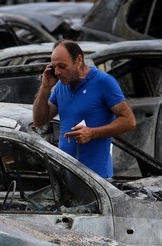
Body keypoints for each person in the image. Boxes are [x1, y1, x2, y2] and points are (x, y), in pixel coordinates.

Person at [33, 39, 136, 178]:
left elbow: (129, 121)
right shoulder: (60, 86)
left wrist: (92, 133)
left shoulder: (104, 82)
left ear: (79, 60)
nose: (57, 72)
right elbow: (39, 120)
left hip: (97, 178)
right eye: (54, 66)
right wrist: (45, 88)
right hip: (68, 174)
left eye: (62, 66)